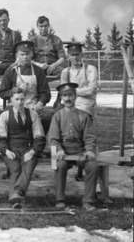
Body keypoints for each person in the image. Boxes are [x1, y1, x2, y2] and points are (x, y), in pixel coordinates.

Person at [48, 82, 98, 211]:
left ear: (75, 97)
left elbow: (90, 137)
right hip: (64, 151)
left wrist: (89, 151)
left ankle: (88, 201)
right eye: (64, 96)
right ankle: (60, 199)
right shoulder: (57, 116)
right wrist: (58, 150)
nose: (68, 98)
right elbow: (53, 138)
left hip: (80, 150)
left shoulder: (84, 115)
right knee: (60, 165)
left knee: (92, 166)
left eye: (70, 95)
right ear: (61, 98)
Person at [0, 87, 46, 208]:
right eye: (17, 99)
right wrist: (6, 150)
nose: (20, 102)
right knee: (15, 168)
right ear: (11, 101)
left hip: (27, 148)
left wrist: (33, 151)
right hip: (10, 149)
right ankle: (16, 196)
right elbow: (1, 137)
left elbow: (39, 136)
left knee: (29, 165)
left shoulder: (33, 114)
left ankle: (16, 194)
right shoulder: (4, 115)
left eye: (22, 99)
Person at [0, 41, 52, 132]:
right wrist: (15, 91)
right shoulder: (11, 71)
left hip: (34, 106)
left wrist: (40, 103)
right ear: (17, 55)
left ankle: (42, 142)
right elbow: (2, 93)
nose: (25, 57)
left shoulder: (38, 71)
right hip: (15, 106)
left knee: (49, 117)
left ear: (32, 54)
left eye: (27, 54)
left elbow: (45, 93)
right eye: (22, 54)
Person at [59, 42, 98, 117]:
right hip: (70, 103)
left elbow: (91, 90)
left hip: (86, 105)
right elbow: (64, 92)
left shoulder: (90, 69)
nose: (75, 57)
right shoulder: (65, 72)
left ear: (81, 55)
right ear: (68, 56)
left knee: (80, 116)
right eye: (72, 55)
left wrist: (71, 91)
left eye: (77, 54)